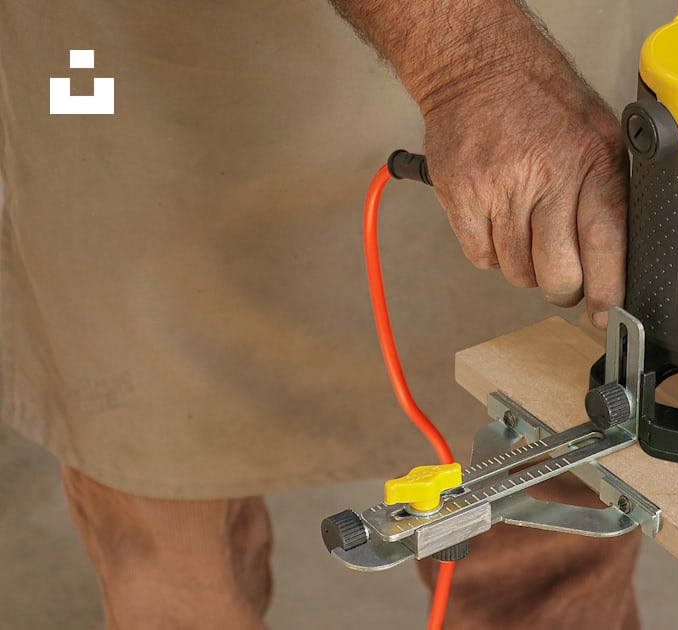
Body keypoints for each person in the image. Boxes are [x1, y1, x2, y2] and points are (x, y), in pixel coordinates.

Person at [0, 0, 644, 627]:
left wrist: (494, 76)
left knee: (551, 536)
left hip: (539, 59)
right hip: (127, 69)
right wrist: (475, 68)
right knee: (168, 550)